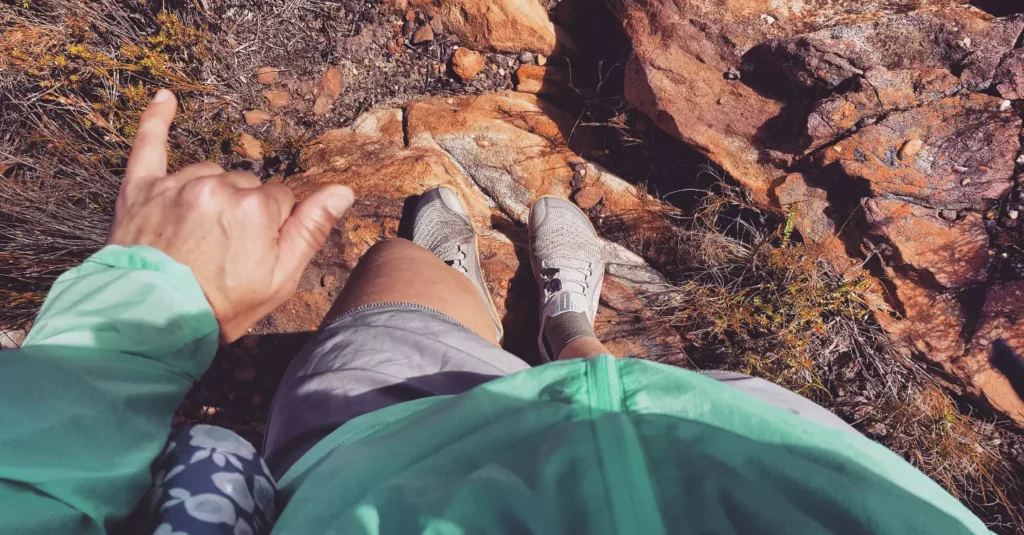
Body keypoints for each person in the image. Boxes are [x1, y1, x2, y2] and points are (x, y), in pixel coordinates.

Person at [0, 90, 990, 534]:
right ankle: (566, 324)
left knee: (396, 263)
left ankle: (464, 281)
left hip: (407, 454)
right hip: (726, 438)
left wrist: (148, 297)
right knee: (598, 372)